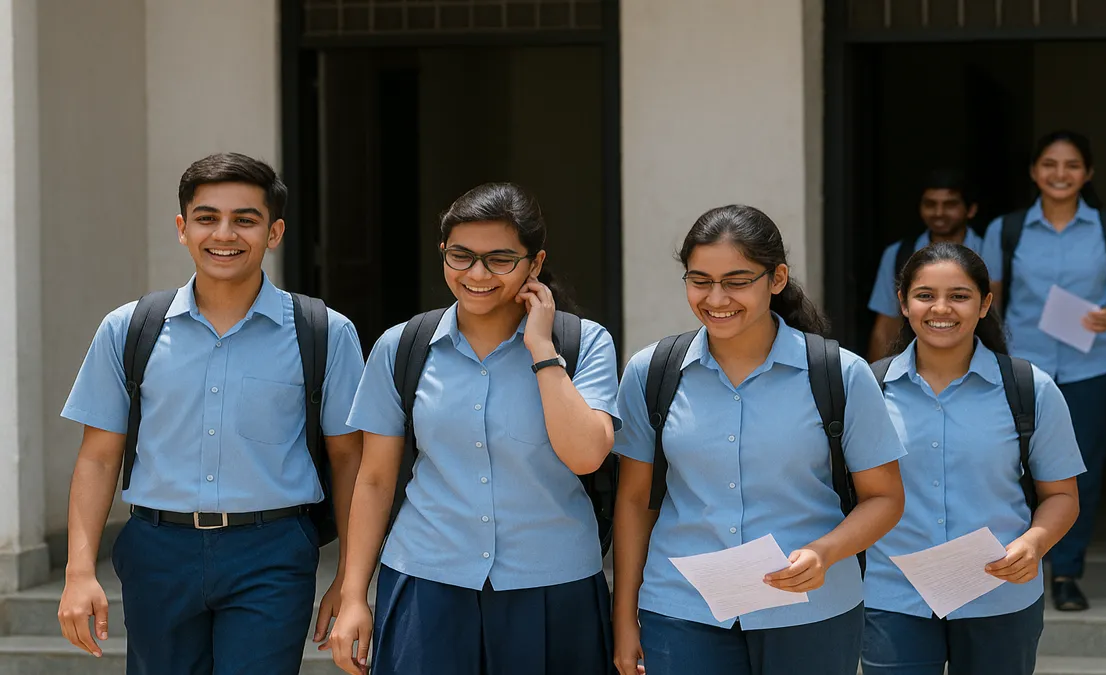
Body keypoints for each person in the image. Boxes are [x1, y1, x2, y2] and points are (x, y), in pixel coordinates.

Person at [56, 153, 366, 674]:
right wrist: (79, 569)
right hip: (158, 551)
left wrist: (350, 581)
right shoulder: (129, 329)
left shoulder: (325, 333)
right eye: (207, 217)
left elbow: (351, 462)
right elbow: (99, 459)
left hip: (272, 553)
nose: (225, 233)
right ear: (183, 228)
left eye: (246, 219)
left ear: (274, 232)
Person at [328, 182, 621, 675]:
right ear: (442, 253)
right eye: (461, 256)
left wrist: (542, 350)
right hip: (427, 580)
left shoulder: (585, 343)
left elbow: (586, 456)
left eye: (500, 259)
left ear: (535, 262)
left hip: (553, 584)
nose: (477, 274)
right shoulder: (402, 347)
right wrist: (354, 593)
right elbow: (375, 479)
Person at [610, 204, 907, 675]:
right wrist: (624, 617)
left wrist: (825, 552)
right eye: (700, 280)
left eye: (737, 280)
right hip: (683, 610)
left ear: (777, 278)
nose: (716, 297)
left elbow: (885, 498)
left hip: (811, 608)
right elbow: (633, 501)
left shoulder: (840, 375)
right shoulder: (652, 372)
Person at [860, 242, 1084, 675]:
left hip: (1000, 593)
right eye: (925, 295)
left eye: (959, 296)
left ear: (984, 305)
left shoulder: (1030, 389)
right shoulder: (867, 392)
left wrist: (1033, 544)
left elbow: (1061, 495)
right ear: (903, 303)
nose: (941, 308)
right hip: (893, 597)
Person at [982, 130, 1106, 611]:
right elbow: (988, 301)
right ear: (1034, 172)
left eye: (1071, 165)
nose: (1060, 174)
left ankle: (1067, 574)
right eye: (1049, 164)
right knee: (1013, 468)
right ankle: (1014, 562)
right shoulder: (1006, 230)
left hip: (1092, 365)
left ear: (1088, 173)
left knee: (1082, 470)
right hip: (1023, 367)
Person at [868, 169, 984, 362]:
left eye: (950, 205)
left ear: (970, 209)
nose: (939, 213)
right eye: (930, 204)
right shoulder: (899, 254)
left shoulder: (989, 250)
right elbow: (887, 324)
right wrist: (876, 381)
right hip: (914, 366)